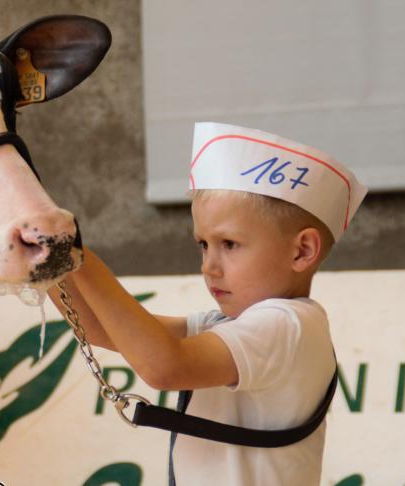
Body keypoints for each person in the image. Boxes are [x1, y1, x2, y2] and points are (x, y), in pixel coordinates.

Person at [49, 122, 367, 485]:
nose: (209, 266)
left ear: (302, 250)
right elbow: (103, 330)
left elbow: (165, 366)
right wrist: (47, 264)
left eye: (229, 244)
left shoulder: (285, 324)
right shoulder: (231, 325)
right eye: (203, 245)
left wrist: (76, 252)